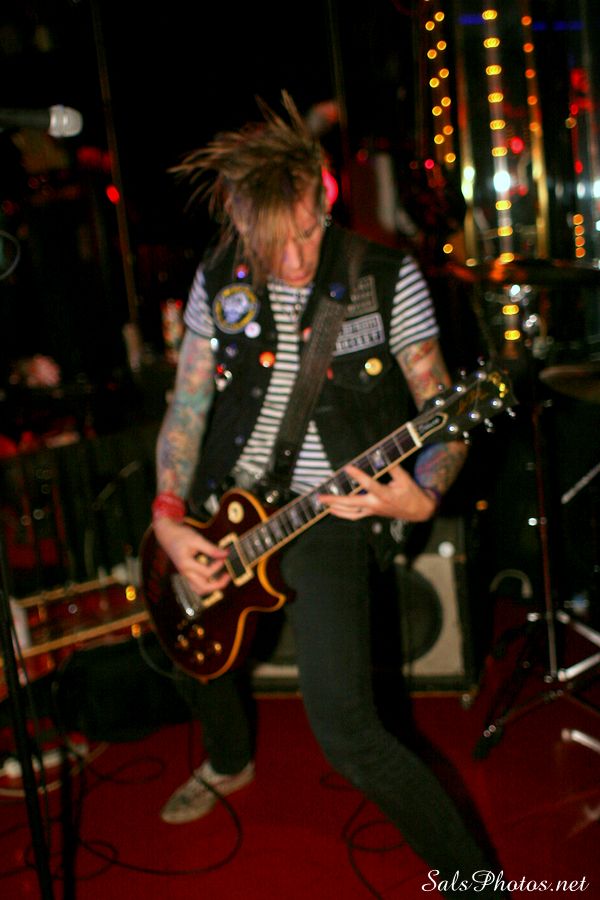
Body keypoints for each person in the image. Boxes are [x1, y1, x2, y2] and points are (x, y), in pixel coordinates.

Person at [151, 93, 506, 894]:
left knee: (348, 733)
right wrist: (169, 517)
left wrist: (420, 497)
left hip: (334, 514)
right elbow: (188, 407)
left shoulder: (387, 276)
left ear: (326, 191)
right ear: (240, 220)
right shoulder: (217, 278)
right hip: (225, 500)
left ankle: (477, 885)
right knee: (180, 622)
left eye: (309, 230)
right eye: (275, 242)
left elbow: (444, 410)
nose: (296, 260)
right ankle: (229, 758)